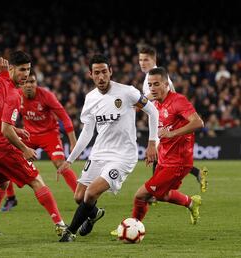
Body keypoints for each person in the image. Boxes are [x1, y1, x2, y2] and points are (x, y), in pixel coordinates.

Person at [58, 54, 159, 242]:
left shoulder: (127, 92)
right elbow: (87, 132)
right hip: (99, 153)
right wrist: (70, 159)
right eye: (97, 73)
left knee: (91, 193)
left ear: (110, 71)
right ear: (91, 75)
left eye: (104, 72)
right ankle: (94, 214)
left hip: (123, 156)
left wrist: (153, 142)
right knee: (79, 197)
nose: (101, 77)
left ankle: (70, 231)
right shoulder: (90, 99)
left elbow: (153, 110)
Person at [0, 51, 67, 237]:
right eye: (22, 69)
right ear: (10, 69)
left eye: (28, 70)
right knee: (36, 180)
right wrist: (25, 148)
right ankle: (62, 226)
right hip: (0, 147)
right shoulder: (14, 94)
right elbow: (5, 130)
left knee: (2, 184)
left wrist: (16, 130)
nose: (26, 74)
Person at [131, 67, 204, 224]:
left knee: (140, 195)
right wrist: (154, 150)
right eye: (150, 84)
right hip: (164, 159)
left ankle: (132, 226)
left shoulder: (178, 101)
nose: (152, 88)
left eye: (156, 84)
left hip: (178, 162)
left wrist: (174, 133)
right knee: (161, 194)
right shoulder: (156, 104)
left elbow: (198, 123)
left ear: (166, 84)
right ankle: (191, 202)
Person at [0, 69, 78, 212]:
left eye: (32, 82)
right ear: (22, 84)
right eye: (26, 82)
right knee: (6, 158)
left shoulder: (47, 96)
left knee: (60, 163)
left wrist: (73, 142)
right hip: (29, 135)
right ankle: (11, 197)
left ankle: (81, 197)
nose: (29, 85)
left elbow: (65, 117)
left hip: (50, 135)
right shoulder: (17, 96)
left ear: (36, 83)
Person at [138, 44, 208, 193]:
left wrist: (139, 101)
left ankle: (154, 191)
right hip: (163, 121)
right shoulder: (150, 76)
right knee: (162, 157)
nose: (142, 63)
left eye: (146, 60)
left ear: (153, 60)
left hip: (170, 123)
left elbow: (165, 94)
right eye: (140, 60)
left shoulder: (159, 76)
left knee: (163, 156)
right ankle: (158, 188)